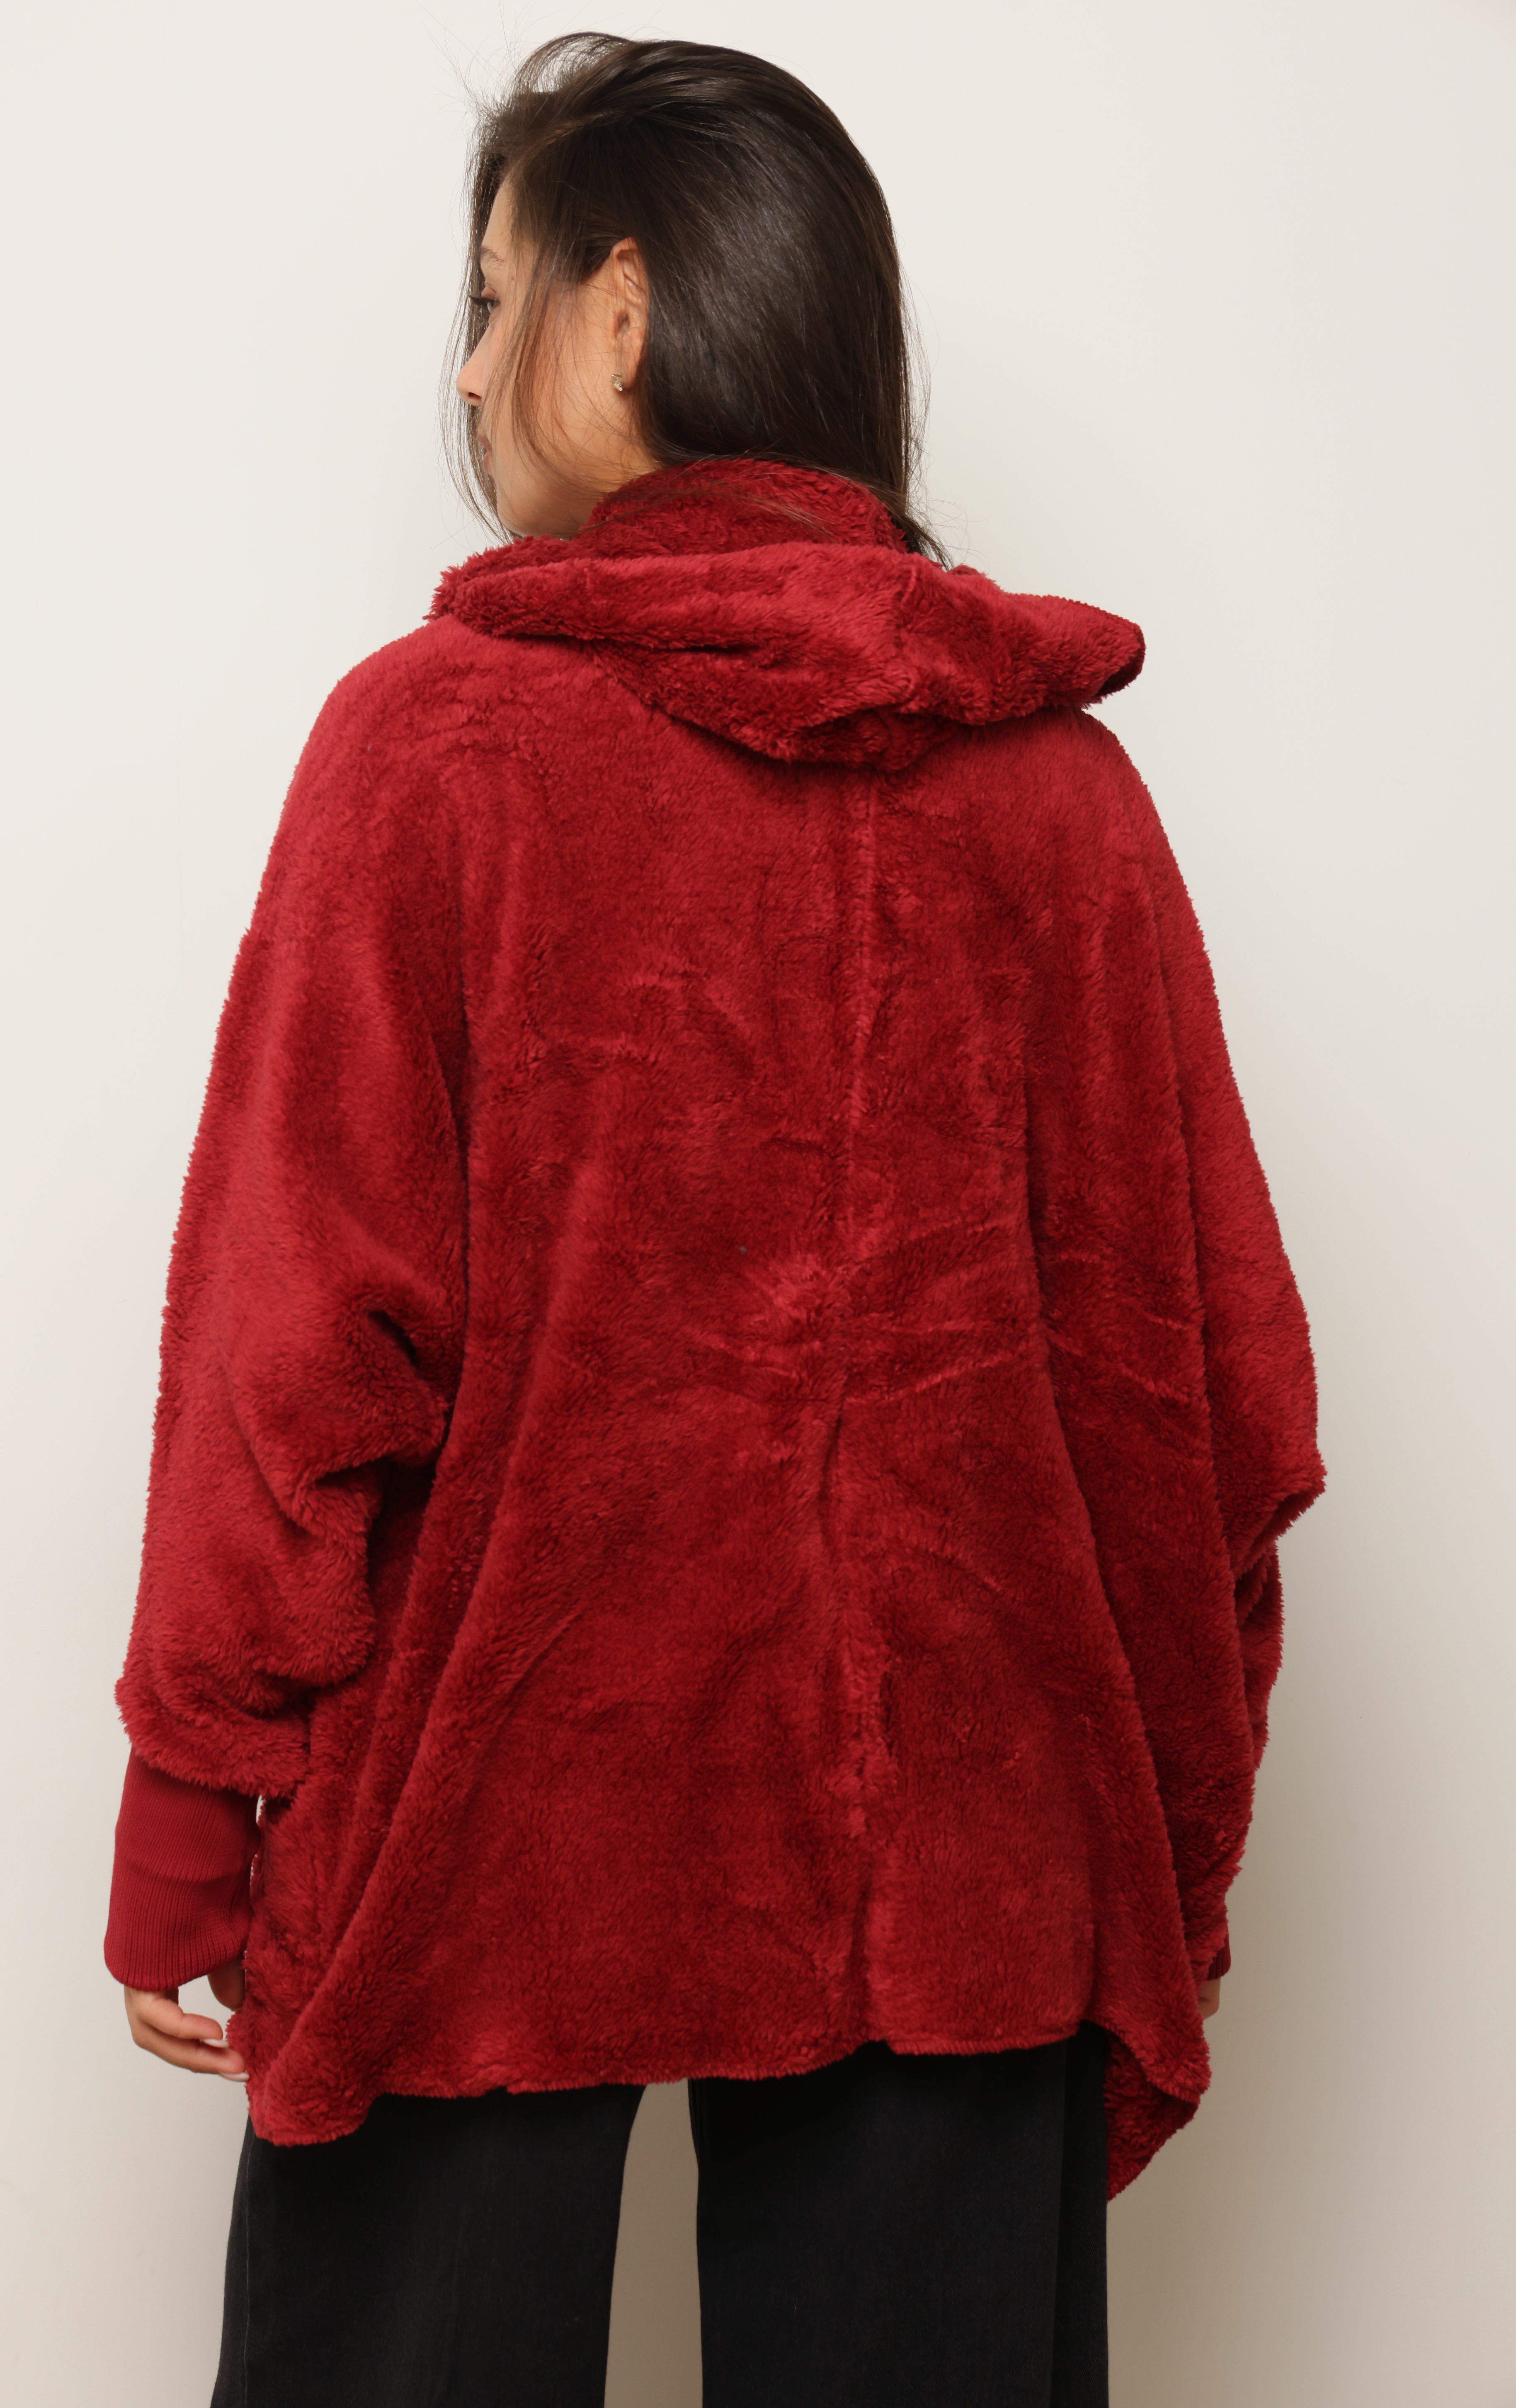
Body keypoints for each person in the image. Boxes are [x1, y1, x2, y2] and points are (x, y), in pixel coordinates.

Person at [103, 33, 1325, 2408]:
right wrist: (1169, 1837)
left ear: (626, 304)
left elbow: (289, 1330)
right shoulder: (1066, 803)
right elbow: (1201, 1396)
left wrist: (192, 1796)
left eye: (493, 301)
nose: (469, 372)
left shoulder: (436, 753)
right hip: (974, 1834)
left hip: (491, 1802)